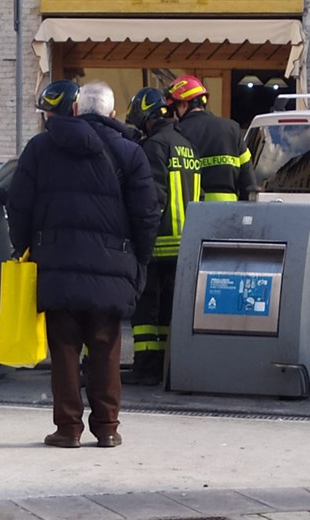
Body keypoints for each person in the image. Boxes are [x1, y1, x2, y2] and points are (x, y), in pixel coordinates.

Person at [6, 81, 160, 448]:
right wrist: (139, 259)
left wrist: (24, 247)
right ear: (112, 114)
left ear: (75, 109)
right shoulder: (130, 152)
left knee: (63, 348)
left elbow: (19, 204)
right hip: (113, 263)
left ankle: (68, 429)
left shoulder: (41, 147)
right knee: (106, 348)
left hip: (56, 263)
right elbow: (147, 214)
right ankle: (107, 428)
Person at [0, 80, 81, 385]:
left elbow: (18, 190)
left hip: (43, 243)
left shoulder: (38, 149)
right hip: (81, 248)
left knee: (19, 302)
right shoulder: (97, 149)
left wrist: (20, 242)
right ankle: (78, 371)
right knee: (77, 314)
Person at [122, 87, 201, 385]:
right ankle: (166, 365)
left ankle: (145, 367)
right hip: (184, 245)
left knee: (145, 312)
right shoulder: (186, 145)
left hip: (158, 244)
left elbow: (151, 198)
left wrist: (139, 241)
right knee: (168, 310)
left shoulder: (153, 147)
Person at [165, 74, 257, 202]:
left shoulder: (178, 132)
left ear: (183, 105)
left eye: (174, 108)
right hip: (230, 213)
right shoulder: (232, 129)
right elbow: (248, 180)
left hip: (193, 211)